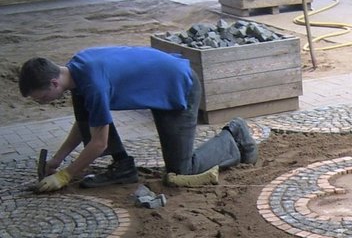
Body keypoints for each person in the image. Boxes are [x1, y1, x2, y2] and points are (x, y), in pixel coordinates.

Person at [19, 46, 258, 192]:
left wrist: (65, 175)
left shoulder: (92, 83)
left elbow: (99, 143)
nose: (42, 102)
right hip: (158, 87)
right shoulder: (75, 71)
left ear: (53, 83)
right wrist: (57, 160)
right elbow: (84, 125)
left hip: (179, 87)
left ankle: (235, 133)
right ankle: (123, 168)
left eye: (41, 98)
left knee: (182, 170)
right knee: (87, 113)